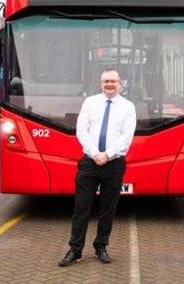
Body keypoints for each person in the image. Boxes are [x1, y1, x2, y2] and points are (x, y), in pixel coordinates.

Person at [59, 69, 136, 266]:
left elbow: (126, 136)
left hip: (114, 163)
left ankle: (101, 246)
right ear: (100, 83)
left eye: (113, 81)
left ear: (120, 83)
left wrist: (108, 155)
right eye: (105, 81)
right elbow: (81, 130)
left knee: (108, 209)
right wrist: (95, 154)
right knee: (81, 208)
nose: (109, 84)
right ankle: (75, 250)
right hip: (89, 162)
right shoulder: (90, 102)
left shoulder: (128, 107)